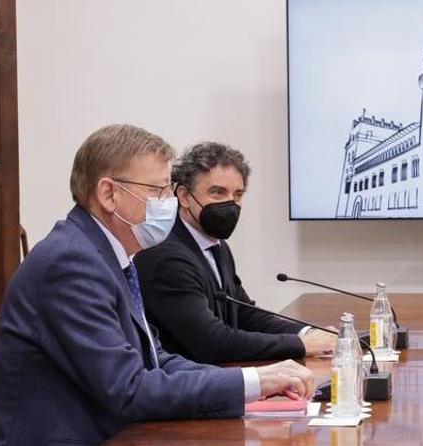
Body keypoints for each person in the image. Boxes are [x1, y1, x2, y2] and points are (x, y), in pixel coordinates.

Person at [0, 125, 317, 446]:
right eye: (156, 191)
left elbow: (155, 358)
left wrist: (254, 384)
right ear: (109, 194)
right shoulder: (72, 264)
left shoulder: (108, 254)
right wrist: (252, 382)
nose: (167, 203)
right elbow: (128, 388)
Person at [134, 142, 335, 363]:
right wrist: (301, 345)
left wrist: (307, 334)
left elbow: (244, 313)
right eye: (217, 192)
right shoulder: (165, 256)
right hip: (187, 386)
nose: (230, 204)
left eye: (237, 194)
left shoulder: (216, 244)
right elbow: (212, 342)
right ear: (183, 196)